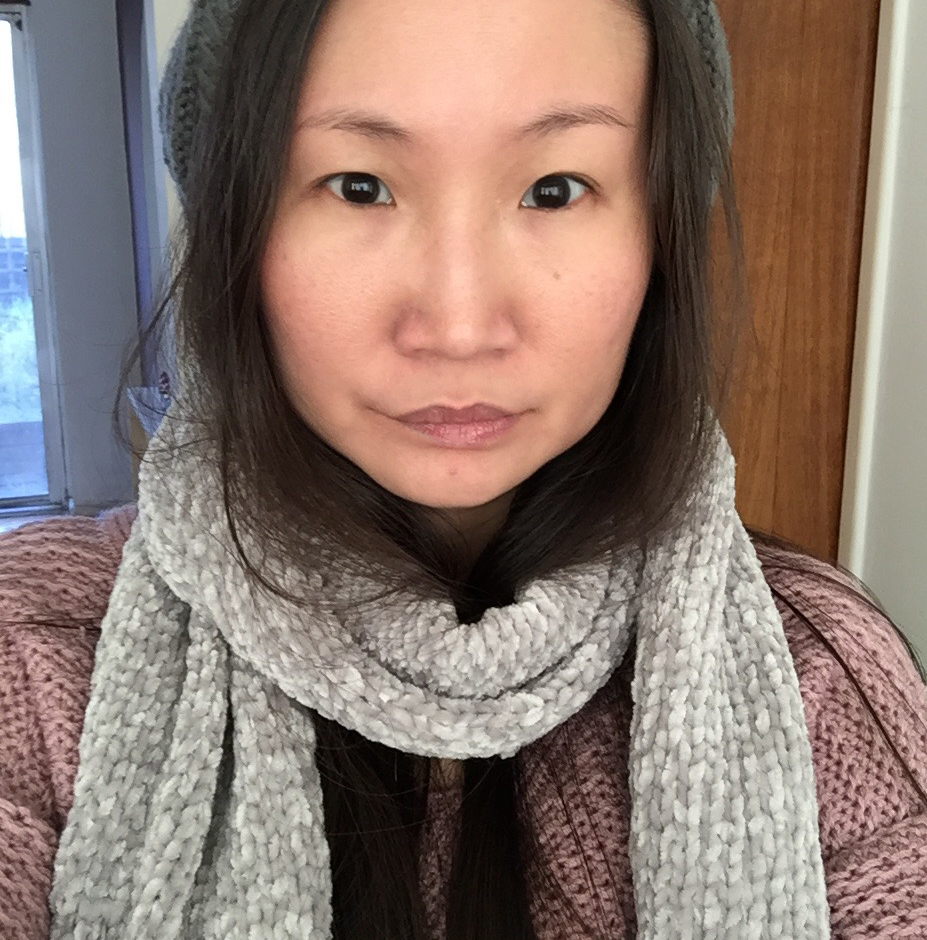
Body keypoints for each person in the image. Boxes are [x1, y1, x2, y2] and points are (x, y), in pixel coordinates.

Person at [1, 0, 926, 937]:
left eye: (554, 190)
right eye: (358, 186)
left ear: (659, 234)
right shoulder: (33, 655)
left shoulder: (819, 671)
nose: (458, 325)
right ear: (235, 231)